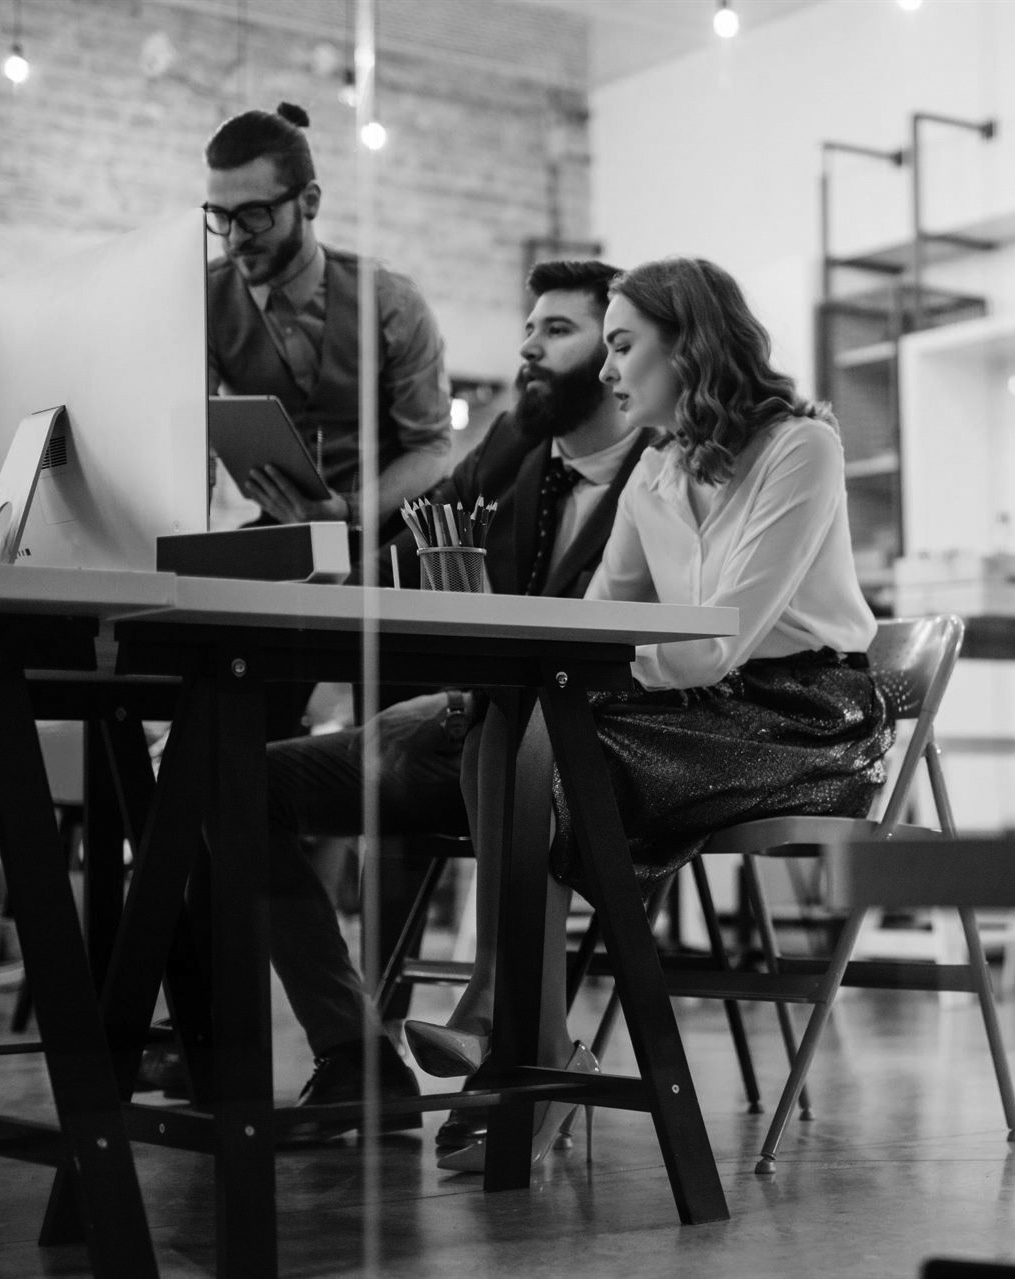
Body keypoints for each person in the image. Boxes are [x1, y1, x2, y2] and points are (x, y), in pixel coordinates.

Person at [412, 256, 895, 1173]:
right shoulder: (658, 469)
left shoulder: (803, 446)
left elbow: (723, 638)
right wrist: (546, 665)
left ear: (692, 345)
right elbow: (598, 617)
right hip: (702, 707)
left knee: (553, 755)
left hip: (808, 722)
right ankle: (535, 1045)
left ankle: (521, 1044)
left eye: (624, 345)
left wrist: (587, 665)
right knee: (505, 728)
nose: (605, 369)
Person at [251, 260, 652, 1141]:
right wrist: (325, 515)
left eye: (560, 331)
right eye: (528, 328)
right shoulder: (518, 443)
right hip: (461, 722)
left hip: (584, 748)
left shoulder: (666, 470)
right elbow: (413, 527)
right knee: (235, 780)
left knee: (513, 729)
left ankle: (517, 1035)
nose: (528, 347)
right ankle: (357, 1056)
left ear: (620, 353)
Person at [203, 102, 452, 536]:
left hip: (396, 533)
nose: (236, 238)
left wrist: (350, 511)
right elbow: (188, 438)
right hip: (280, 529)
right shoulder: (205, 299)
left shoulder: (391, 299)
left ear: (310, 202)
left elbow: (430, 449)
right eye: (221, 217)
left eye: (255, 215)